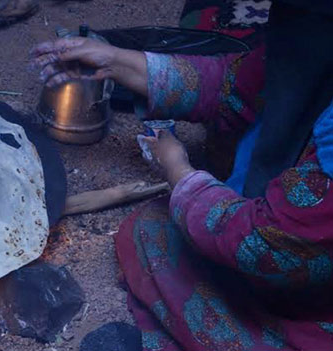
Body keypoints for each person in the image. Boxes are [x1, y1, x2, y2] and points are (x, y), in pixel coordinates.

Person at [31, 1, 333, 350]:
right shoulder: (313, 38)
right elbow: (238, 85)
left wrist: (180, 173)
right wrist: (114, 61)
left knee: (154, 235)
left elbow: (264, 245)